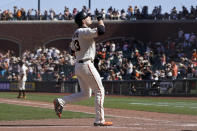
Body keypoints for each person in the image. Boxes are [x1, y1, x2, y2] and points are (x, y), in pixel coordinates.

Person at [53, 10, 113, 126]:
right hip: (86, 64)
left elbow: (72, 51)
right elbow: (101, 30)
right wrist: (100, 18)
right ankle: (99, 120)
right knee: (100, 91)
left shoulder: (76, 33)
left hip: (79, 65)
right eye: (88, 17)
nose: (90, 18)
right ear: (83, 20)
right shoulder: (83, 31)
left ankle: (61, 101)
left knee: (86, 94)